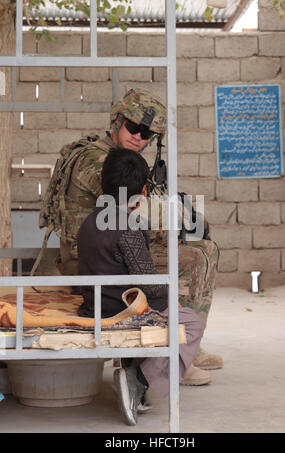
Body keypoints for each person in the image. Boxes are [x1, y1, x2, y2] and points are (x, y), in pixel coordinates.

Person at [40, 87, 222, 381]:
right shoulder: (99, 160)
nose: (138, 136)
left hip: (113, 246)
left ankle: (186, 341)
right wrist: (180, 215)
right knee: (195, 258)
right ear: (117, 121)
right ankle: (173, 349)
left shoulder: (119, 156)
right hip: (94, 260)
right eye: (133, 127)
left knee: (203, 248)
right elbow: (137, 209)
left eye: (146, 133)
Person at [77, 148, 207, 426]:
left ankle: (133, 370)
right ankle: (138, 381)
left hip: (93, 306)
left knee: (168, 308)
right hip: (120, 312)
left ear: (102, 181)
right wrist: (173, 298)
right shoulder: (129, 228)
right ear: (143, 192)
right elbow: (149, 284)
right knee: (191, 323)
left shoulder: (89, 222)